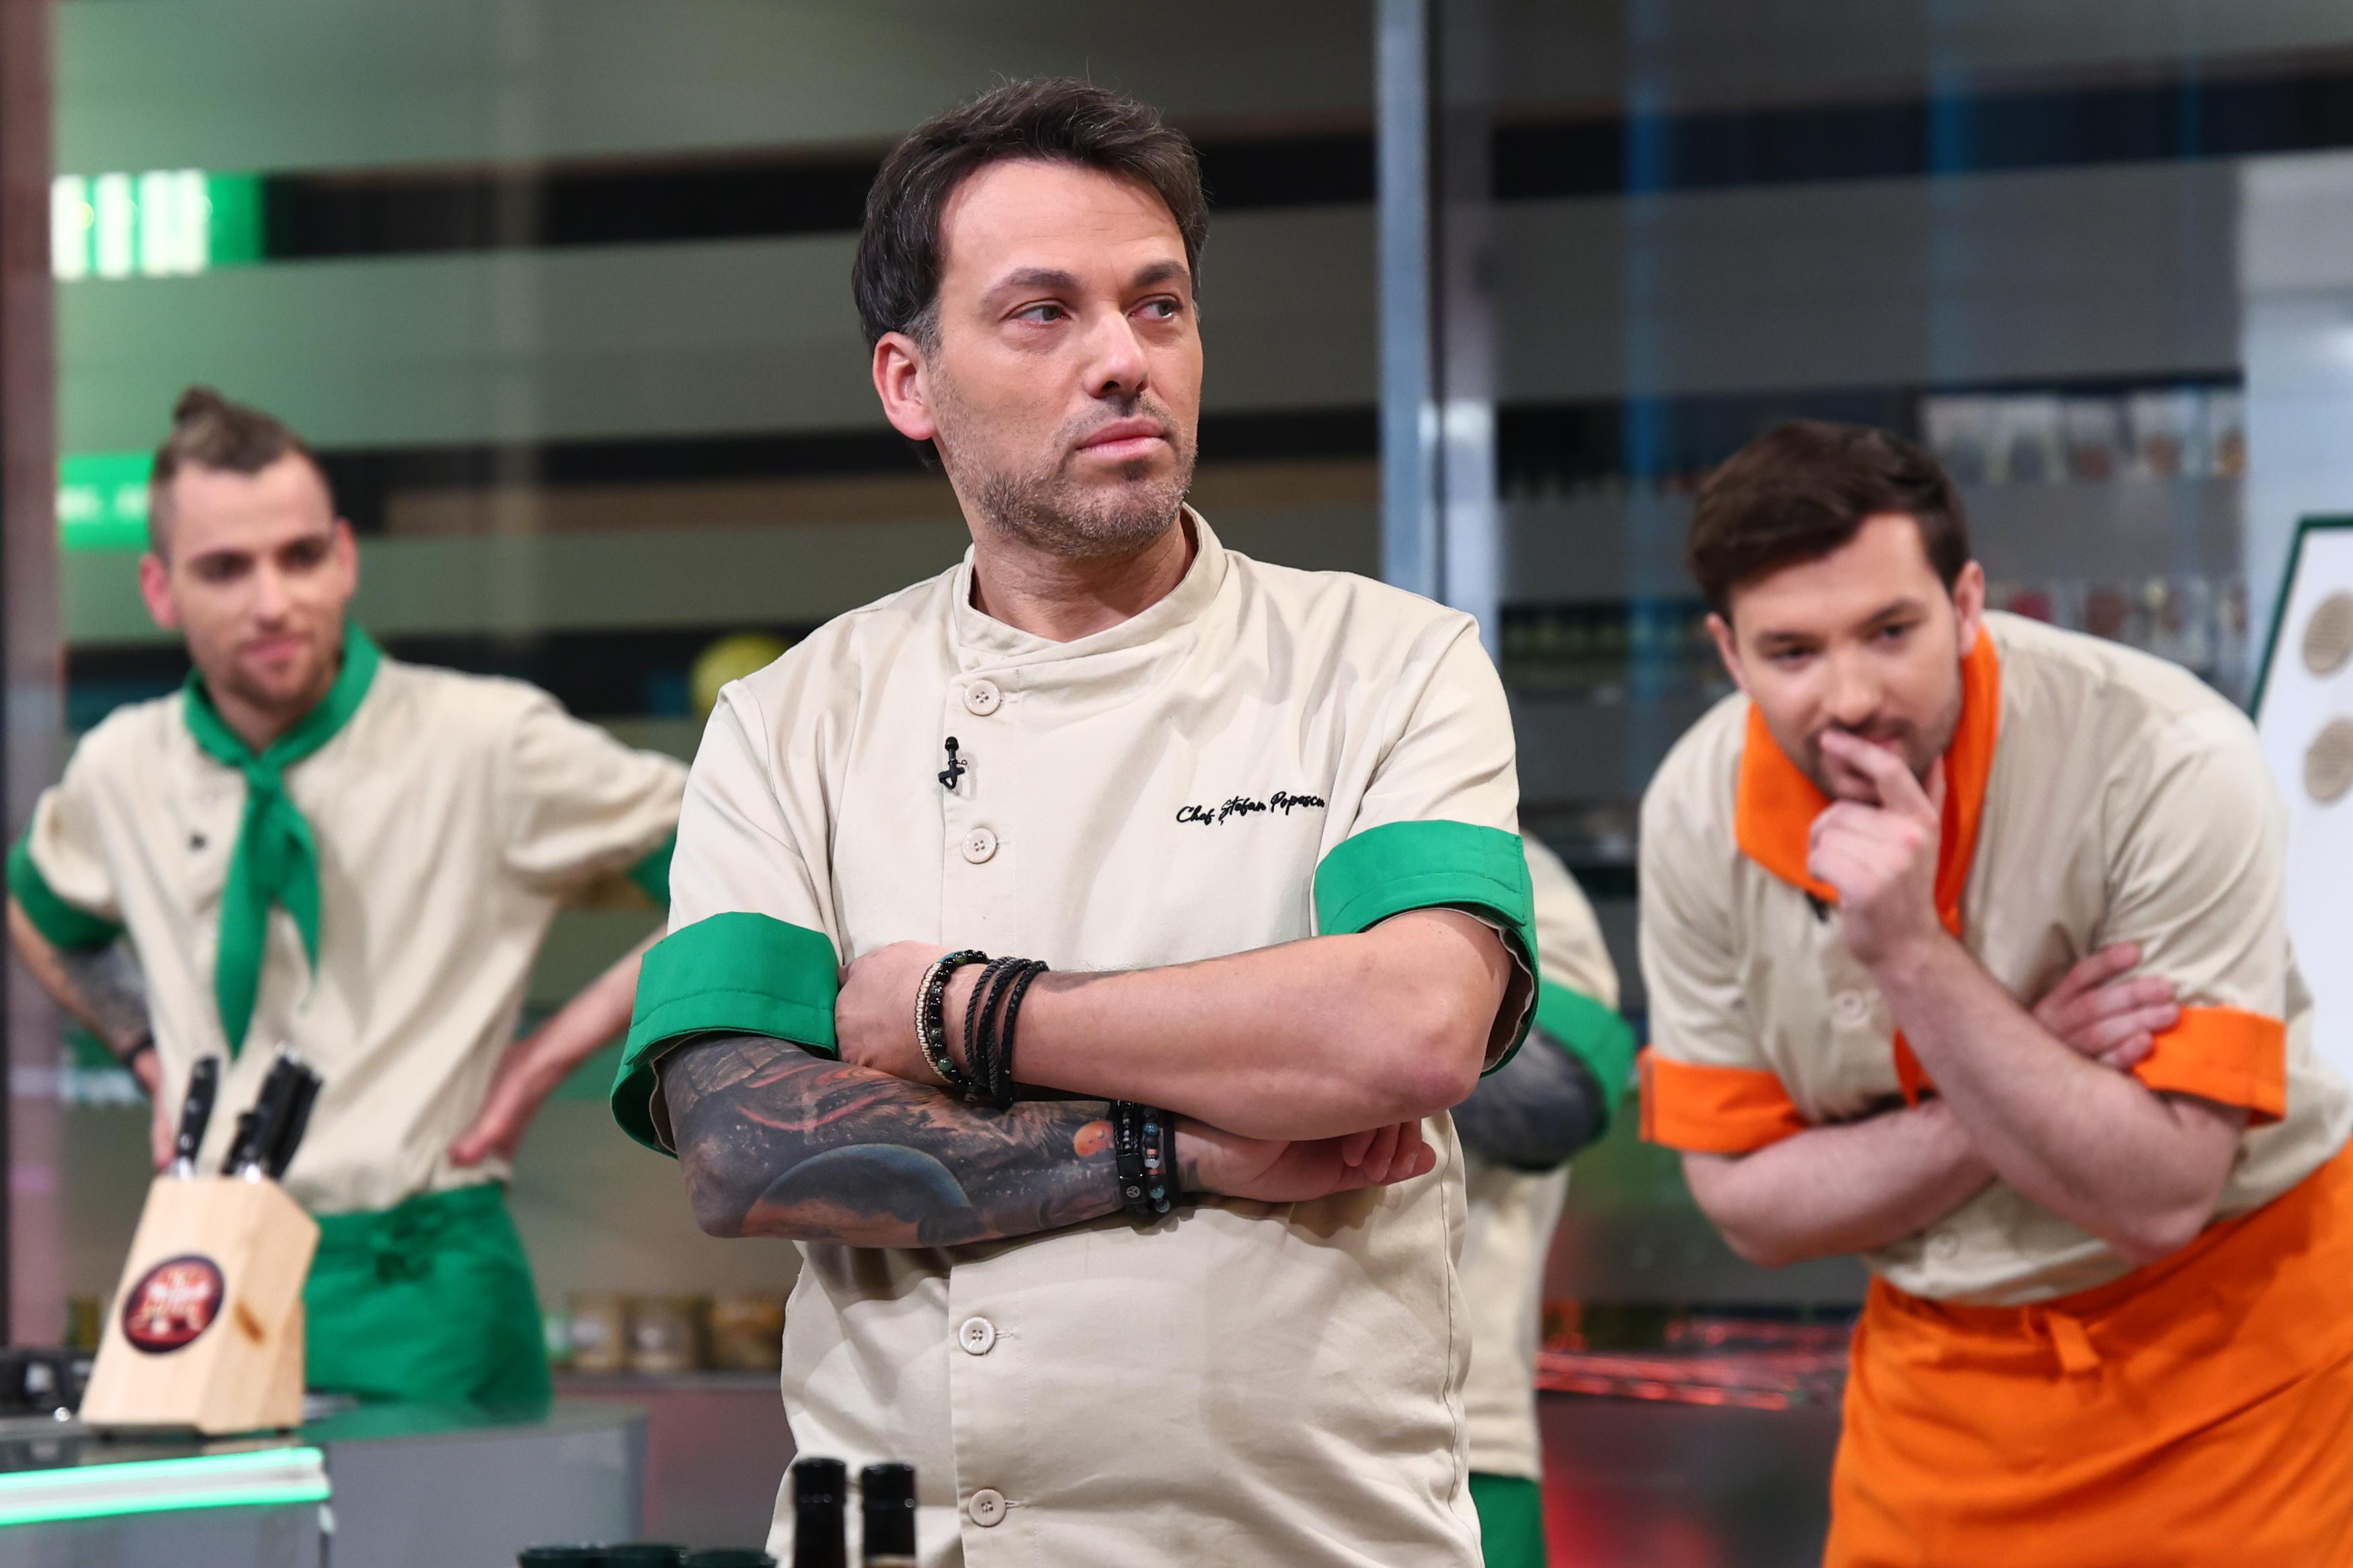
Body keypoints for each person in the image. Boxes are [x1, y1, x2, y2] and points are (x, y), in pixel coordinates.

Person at [612, 79, 1536, 1565]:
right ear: (910, 382)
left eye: (1158, 305)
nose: (1123, 359)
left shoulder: (1386, 663)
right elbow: (746, 1143)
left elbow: (1412, 1032)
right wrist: (1182, 1147)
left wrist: (961, 1010)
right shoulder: (792, 722)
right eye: (1043, 312)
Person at [1637, 420, 2353, 1566]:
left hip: (2239, 1363)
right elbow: (1749, 1207)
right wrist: (2023, 1058)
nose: (1851, 696)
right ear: (1730, 652)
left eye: (1892, 631)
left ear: (1967, 603)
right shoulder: (1694, 809)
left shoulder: (2168, 757)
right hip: (1938, 1377)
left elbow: (2159, 1191)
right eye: (1793, 652)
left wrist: (1911, 955)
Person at [7, 388, 686, 1410]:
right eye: (225, 569)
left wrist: (543, 1060)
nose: (272, 600)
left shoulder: (483, 738)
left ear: (345, 557)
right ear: (158, 588)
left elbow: (727, 868)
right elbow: (39, 913)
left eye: (299, 556)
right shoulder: (122, 765)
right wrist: (149, 1056)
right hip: (203, 1270)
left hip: (423, 1278)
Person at [1451, 837, 1632, 1568]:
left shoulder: (1495, 852)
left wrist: (1254, 1007)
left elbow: (1554, 1098)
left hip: (1457, 1439)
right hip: (1187, 1423)